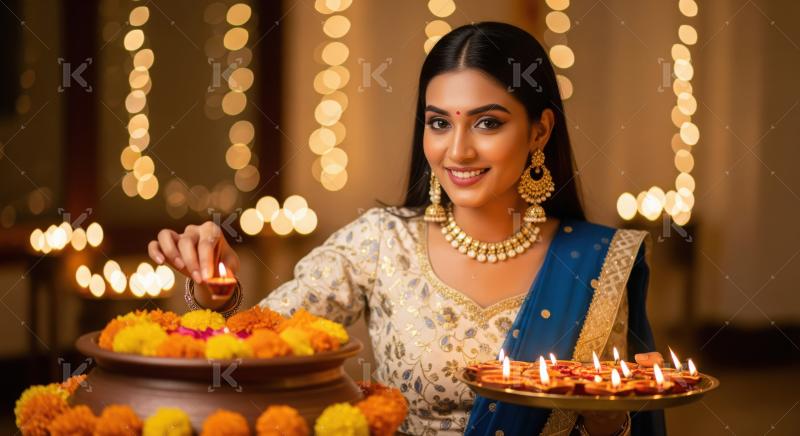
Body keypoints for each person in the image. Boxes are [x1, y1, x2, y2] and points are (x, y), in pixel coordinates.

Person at [149, 21, 667, 436]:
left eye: (488, 123)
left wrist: (612, 421)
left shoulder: (598, 261)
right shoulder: (380, 242)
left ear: (539, 130)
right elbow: (262, 343)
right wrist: (214, 289)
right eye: (439, 122)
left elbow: (621, 414)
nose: (457, 150)